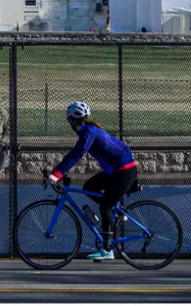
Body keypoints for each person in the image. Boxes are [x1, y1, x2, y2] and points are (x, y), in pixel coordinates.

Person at [47, 101, 137, 263]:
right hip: (117, 170)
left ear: (72, 120)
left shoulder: (88, 132)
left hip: (124, 170)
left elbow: (76, 154)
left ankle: (108, 249)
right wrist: (56, 172)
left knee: (105, 206)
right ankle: (117, 211)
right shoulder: (89, 130)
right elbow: (75, 154)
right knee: (89, 186)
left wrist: (57, 174)